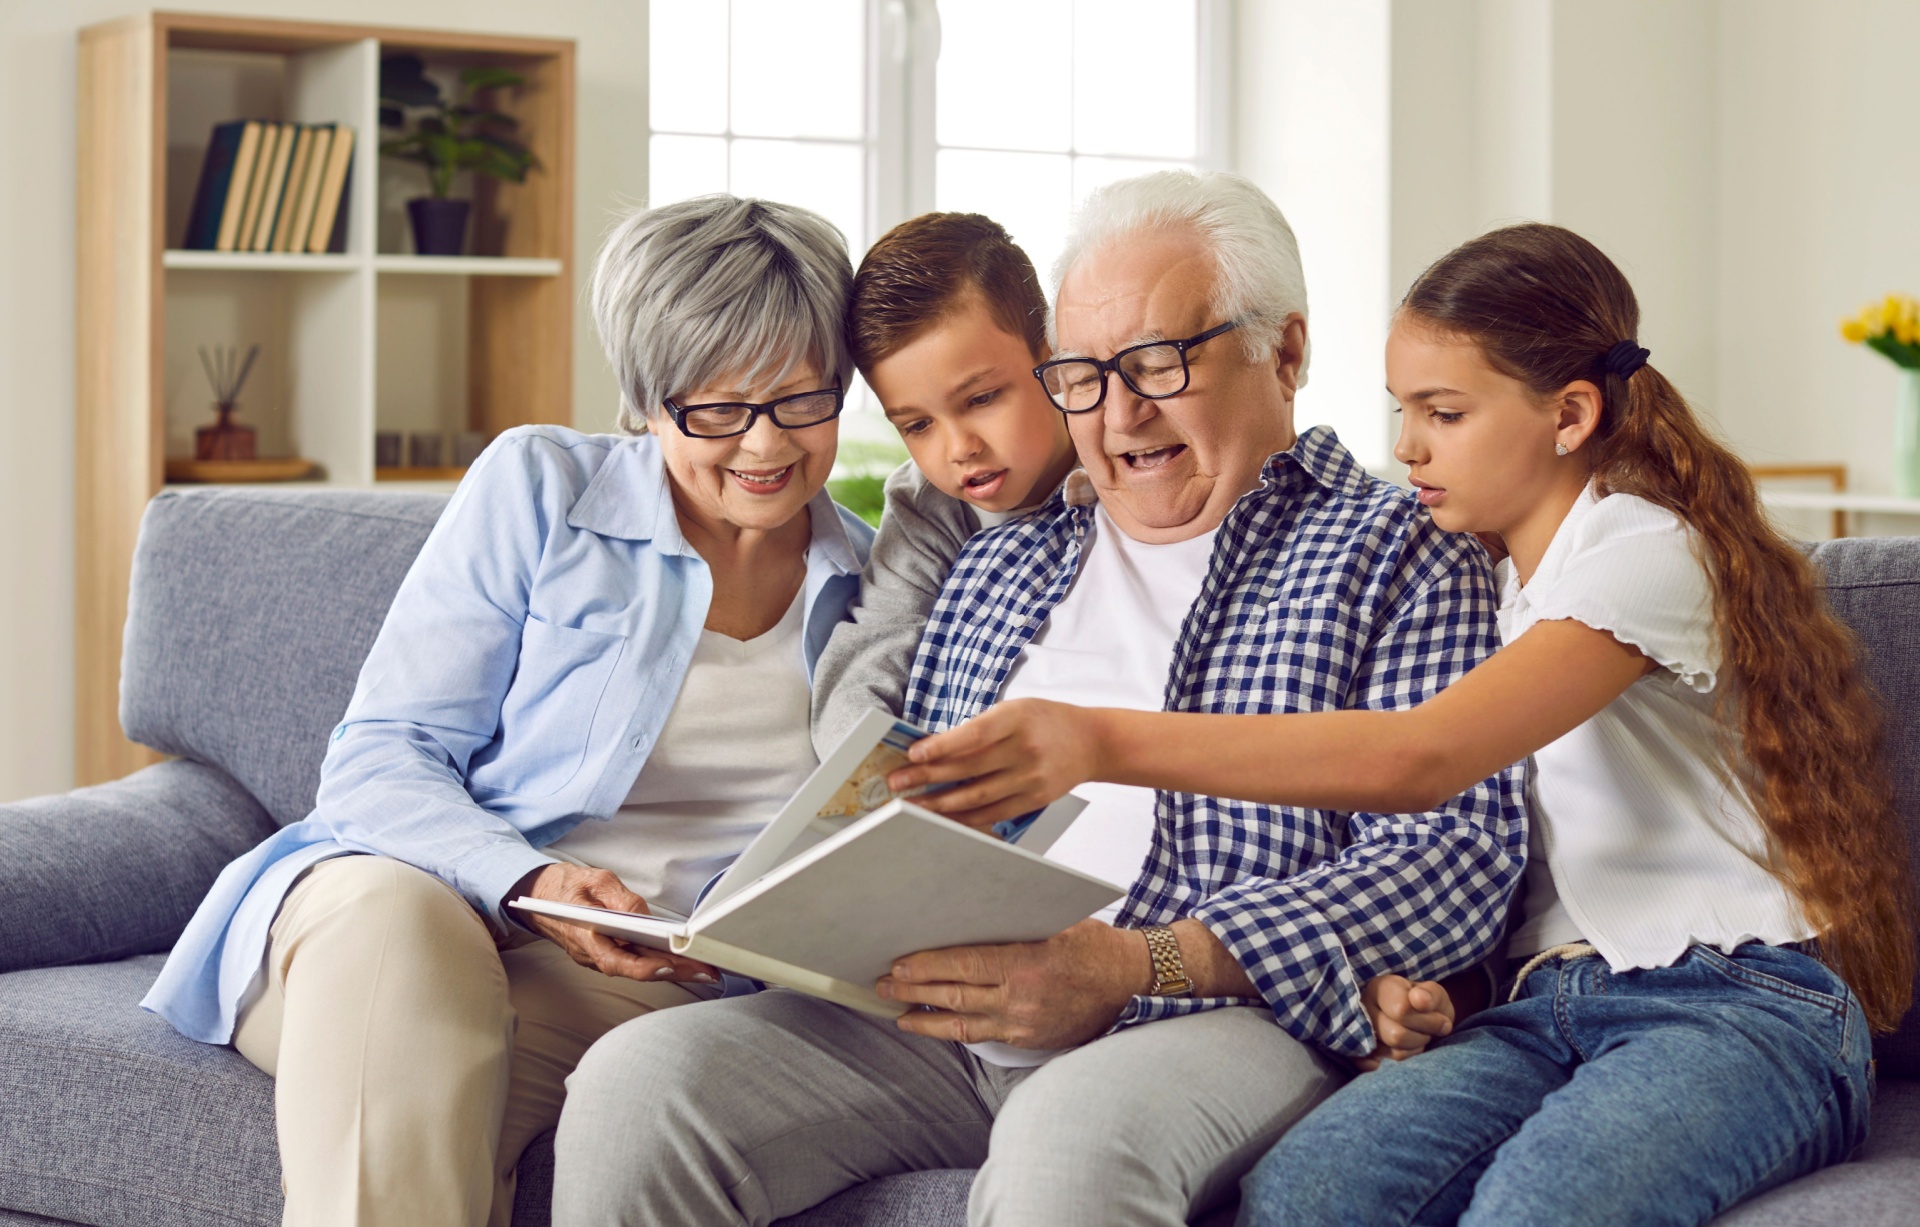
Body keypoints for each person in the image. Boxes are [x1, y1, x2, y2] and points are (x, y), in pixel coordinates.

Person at [550, 170, 1527, 1227]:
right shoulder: (1001, 561)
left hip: (1212, 1015)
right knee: (640, 1082)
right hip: (942, 1010)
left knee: (1069, 1142)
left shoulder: (1404, 550)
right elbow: (901, 794)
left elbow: (1459, 856)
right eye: (1085, 375)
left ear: (1284, 351)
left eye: (1159, 362)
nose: (1120, 413)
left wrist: (1131, 964)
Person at [895, 222, 1916, 1227]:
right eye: (1402, 409)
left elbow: (1422, 757)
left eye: (1444, 412)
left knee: (1539, 1209)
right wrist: (1443, 994)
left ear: (1568, 414)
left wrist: (1100, 738)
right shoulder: (1498, 582)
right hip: (1543, 1005)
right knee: (1309, 1193)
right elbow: (1517, 863)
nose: (1406, 446)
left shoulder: (1642, 552)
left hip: (1737, 1004)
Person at [140, 195, 874, 1227]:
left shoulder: (875, 584)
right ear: (649, 400)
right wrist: (529, 882)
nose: (765, 444)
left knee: (426, 1127)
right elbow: (381, 757)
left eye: (803, 402)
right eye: (718, 408)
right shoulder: (542, 489)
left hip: (647, 986)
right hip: (398, 907)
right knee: (407, 938)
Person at [812, 211, 1077, 755]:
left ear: (1053, 361)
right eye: (917, 425)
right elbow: (871, 652)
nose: (959, 449)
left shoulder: (1129, 463)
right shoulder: (925, 505)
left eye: (981, 399)